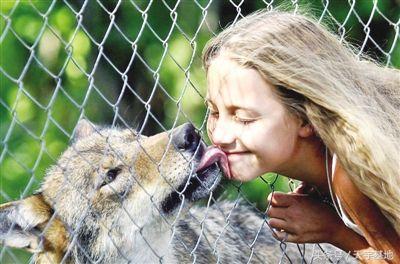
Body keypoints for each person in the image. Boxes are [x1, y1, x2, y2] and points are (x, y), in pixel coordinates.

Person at [201, 9, 400, 263]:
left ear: (305, 118)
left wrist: (334, 231)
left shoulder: (350, 174)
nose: (220, 135)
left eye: (244, 118)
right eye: (214, 112)